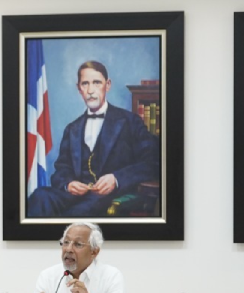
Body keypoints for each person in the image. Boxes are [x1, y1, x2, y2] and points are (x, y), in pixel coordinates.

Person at [27, 61, 160, 217]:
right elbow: (61, 170)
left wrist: (116, 179)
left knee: (76, 214)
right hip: (76, 196)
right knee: (40, 196)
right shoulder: (72, 128)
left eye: (96, 83)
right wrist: (68, 184)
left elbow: (153, 162)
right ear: (79, 89)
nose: (90, 90)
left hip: (111, 196)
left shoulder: (130, 121)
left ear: (107, 85)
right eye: (85, 84)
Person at [29, 222, 128, 293]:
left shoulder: (111, 276)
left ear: (94, 251)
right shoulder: (48, 276)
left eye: (78, 244)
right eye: (66, 242)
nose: (69, 249)